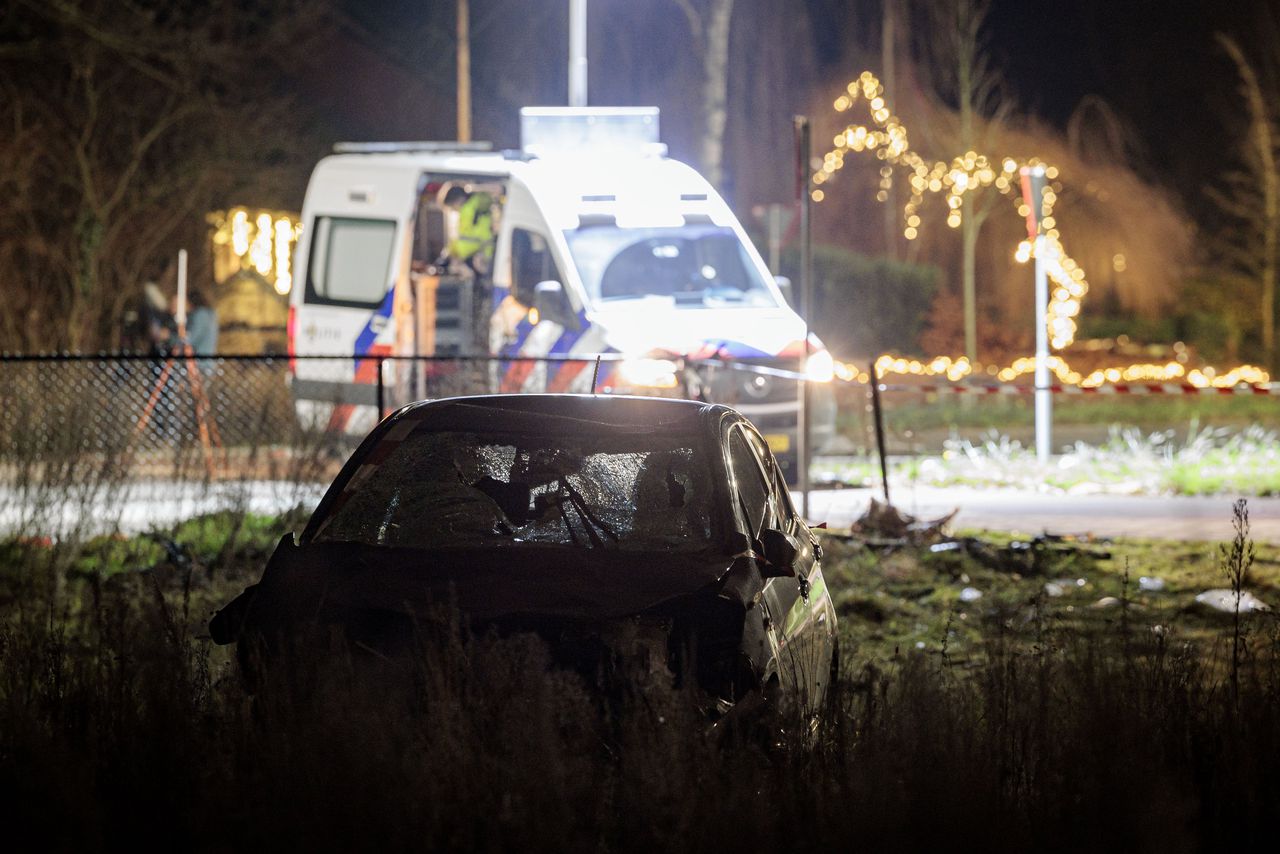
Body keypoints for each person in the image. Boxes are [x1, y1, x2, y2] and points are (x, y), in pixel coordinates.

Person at [435, 185, 495, 275]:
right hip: (471, 259)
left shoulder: (476, 204)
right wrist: (449, 253)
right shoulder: (464, 211)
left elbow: (487, 198)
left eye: (452, 206)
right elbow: (461, 237)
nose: (453, 210)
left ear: (458, 199)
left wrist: (475, 188)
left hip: (482, 258)